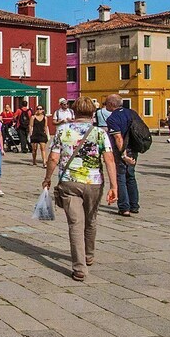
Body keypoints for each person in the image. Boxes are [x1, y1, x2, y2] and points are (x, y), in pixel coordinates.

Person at [42, 96, 117, 282]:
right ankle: (89, 255)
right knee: (91, 219)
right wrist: (114, 186)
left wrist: (47, 178)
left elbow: (53, 158)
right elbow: (109, 159)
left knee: (75, 224)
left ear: (73, 112)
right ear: (93, 113)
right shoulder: (99, 133)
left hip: (69, 181)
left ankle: (79, 268)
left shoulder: (63, 130)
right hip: (94, 182)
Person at [103, 94, 139, 216]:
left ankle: (124, 207)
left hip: (122, 150)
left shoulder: (113, 118)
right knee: (131, 176)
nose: (105, 104)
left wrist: (123, 155)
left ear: (112, 104)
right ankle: (134, 205)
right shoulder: (131, 113)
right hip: (134, 149)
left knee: (121, 177)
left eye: (106, 102)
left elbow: (118, 137)